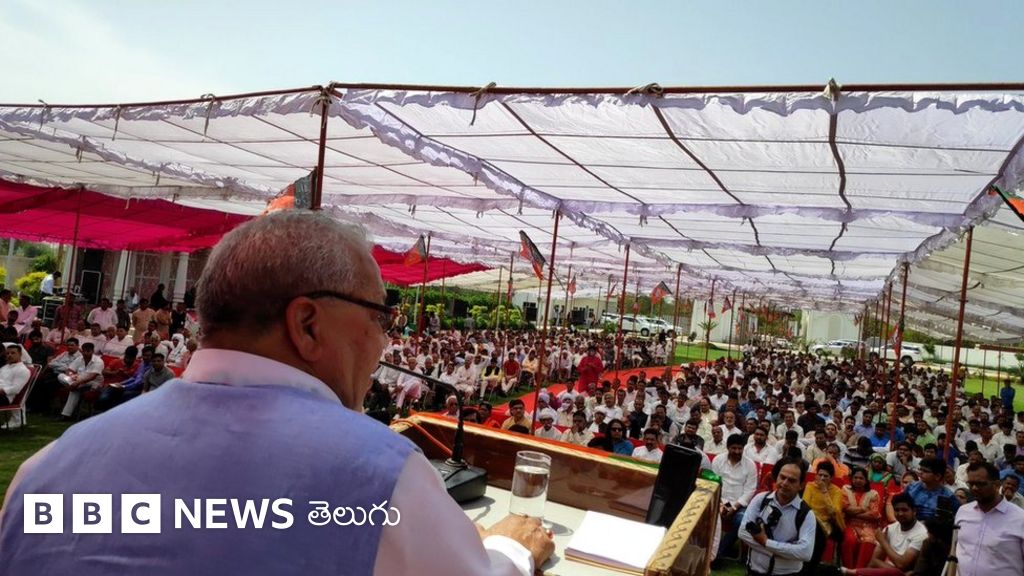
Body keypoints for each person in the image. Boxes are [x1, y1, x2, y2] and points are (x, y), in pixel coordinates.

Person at [0, 211, 553, 575]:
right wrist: (510, 548)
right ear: (308, 324)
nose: (384, 338)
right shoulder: (380, 475)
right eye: (380, 315)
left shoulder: (46, 469)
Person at [739, 457, 817, 576]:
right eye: (782, 477)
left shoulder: (806, 514)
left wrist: (765, 542)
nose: (784, 483)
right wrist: (784, 551)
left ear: (801, 485)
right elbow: (743, 533)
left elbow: (805, 553)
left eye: (792, 480)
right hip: (753, 570)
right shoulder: (761, 499)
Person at [954, 462, 1024, 576]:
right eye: (971, 484)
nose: (974, 488)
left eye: (980, 484)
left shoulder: (1020, 519)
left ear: (997, 485)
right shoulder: (963, 512)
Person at [840, 493, 927, 576]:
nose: (900, 513)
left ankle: (849, 572)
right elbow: (874, 561)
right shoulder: (890, 528)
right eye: (897, 510)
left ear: (914, 511)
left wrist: (883, 541)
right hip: (890, 571)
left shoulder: (921, 533)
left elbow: (901, 565)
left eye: (904, 510)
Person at [712, 433, 758, 559]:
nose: (737, 451)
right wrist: (722, 505)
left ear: (743, 448)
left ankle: (718, 554)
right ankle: (706, 548)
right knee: (709, 514)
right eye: (734, 448)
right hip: (719, 501)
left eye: (740, 448)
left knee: (741, 521)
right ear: (728, 447)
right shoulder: (718, 460)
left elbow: (750, 490)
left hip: (740, 504)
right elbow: (714, 484)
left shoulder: (750, 465)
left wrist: (734, 507)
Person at [804, 460, 845, 565]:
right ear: (816, 475)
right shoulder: (810, 486)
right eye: (820, 475)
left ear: (831, 478)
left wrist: (824, 491)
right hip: (809, 519)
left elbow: (834, 512)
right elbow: (805, 506)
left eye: (825, 476)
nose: (822, 478)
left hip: (826, 523)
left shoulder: (837, 491)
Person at [841, 467, 883, 569]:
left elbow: (874, 514)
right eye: (855, 477)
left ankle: (860, 571)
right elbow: (845, 508)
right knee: (849, 540)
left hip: (868, 524)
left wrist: (852, 512)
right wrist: (864, 509)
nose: (858, 480)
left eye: (861, 478)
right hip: (849, 523)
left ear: (866, 480)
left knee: (868, 541)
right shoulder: (845, 489)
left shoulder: (873, 494)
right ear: (851, 478)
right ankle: (848, 570)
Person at [57, 341, 105, 419]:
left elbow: (92, 376)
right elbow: (69, 370)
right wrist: (71, 376)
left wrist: (77, 382)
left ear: (92, 351)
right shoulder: (79, 358)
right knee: (60, 376)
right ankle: (66, 415)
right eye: (84, 351)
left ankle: (65, 415)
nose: (85, 353)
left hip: (93, 383)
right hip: (77, 380)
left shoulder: (98, 361)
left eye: (88, 351)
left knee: (75, 389)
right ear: (81, 351)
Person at [904, 457, 958, 522]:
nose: (921, 473)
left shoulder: (948, 496)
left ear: (937, 476)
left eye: (925, 471)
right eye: (920, 469)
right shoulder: (911, 487)